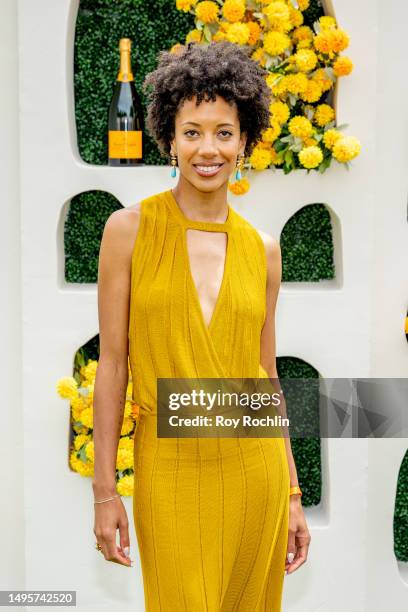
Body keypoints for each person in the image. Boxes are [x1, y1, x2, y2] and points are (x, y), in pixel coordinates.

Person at [92, 40, 311, 611]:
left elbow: (264, 376)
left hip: (254, 475)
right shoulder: (128, 231)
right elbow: (113, 363)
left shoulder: (262, 249)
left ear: (245, 141)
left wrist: (290, 492)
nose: (207, 148)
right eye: (192, 131)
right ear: (169, 137)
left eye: (223, 132)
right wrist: (104, 492)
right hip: (169, 474)